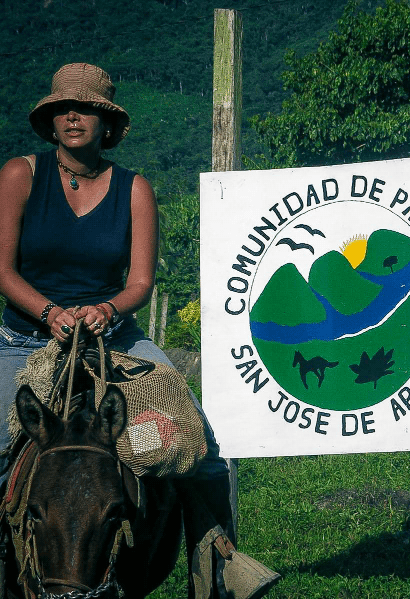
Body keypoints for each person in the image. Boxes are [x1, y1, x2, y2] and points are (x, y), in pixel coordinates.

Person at [0, 63, 278, 599]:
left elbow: (141, 283)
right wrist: (50, 312)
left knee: (201, 443)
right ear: (50, 121)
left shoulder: (134, 188)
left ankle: (221, 568)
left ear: (107, 124)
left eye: (87, 110)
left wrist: (107, 310)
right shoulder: (20, 175)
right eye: (64, 109)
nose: (74, 117)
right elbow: (3, 271)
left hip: (115, 338)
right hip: (25, 338)